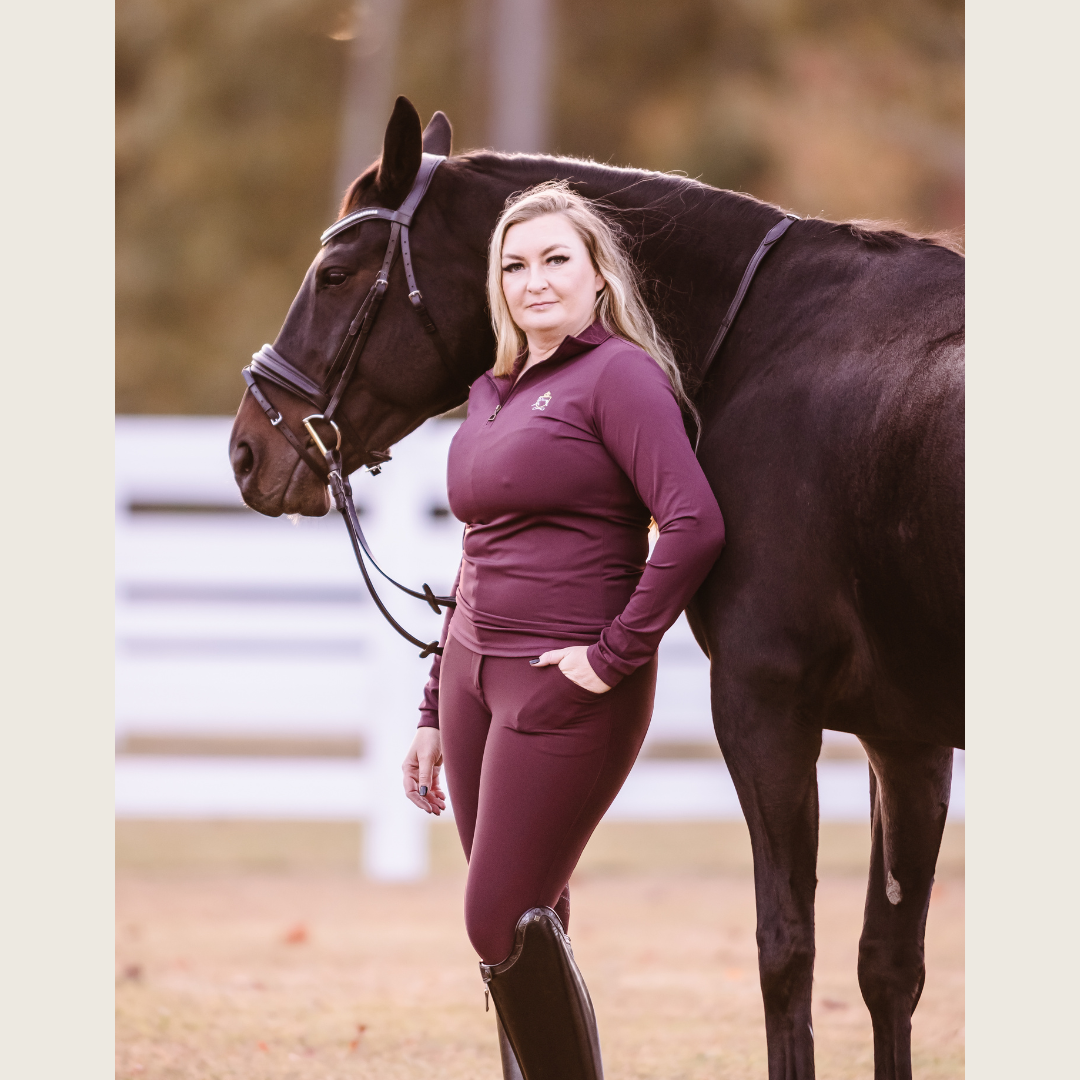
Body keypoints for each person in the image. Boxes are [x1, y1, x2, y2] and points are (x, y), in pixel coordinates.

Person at [400, 181, 726, 1080]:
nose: (534, 281)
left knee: (494, 914)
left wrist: (614, 656)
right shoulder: (489, 391)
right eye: (515, 264)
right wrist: (433, 703)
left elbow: (693, 522)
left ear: (597, 276)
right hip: (472, 677)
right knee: (529, 916)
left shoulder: (618, 375)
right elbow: (477, 549)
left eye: (555, 261)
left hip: (565, 679)